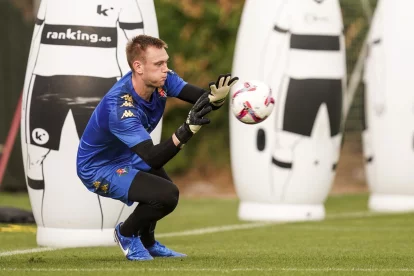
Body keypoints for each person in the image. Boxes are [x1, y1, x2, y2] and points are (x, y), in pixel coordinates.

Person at [76, 34, 238, 261]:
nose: (166, 69)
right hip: (99, 167)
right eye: (159, 64)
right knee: (165, 195)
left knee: (166, 192)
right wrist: (186, 130)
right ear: (138, 67)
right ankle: (126, 233)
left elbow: (202, 100)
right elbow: (153, 158)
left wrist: (218, 99)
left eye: (166, 62)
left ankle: (148, 243)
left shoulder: (164, 80)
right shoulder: (120, 107)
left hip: (127, 155)